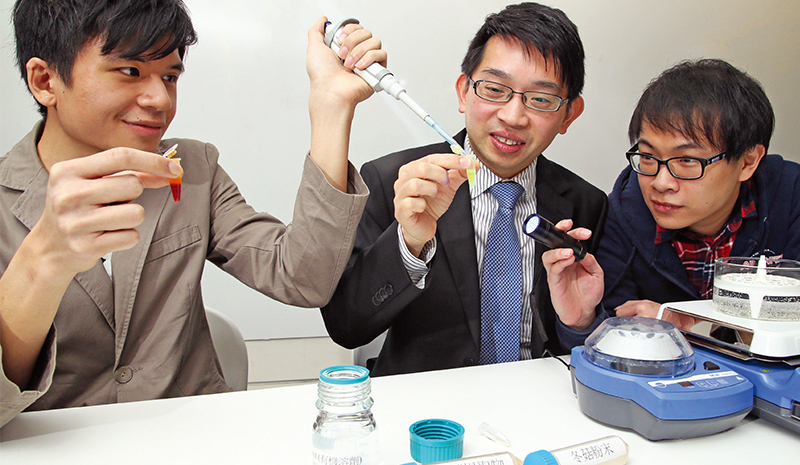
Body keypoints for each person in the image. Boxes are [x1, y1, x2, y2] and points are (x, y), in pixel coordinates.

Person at [0, 0, 386, 427]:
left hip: (193, 440)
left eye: (169, 76)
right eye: (130, 71)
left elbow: (302, 278)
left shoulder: (191, 168)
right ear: (45, 80)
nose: (159, 99)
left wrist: (331, 107)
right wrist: (42, 260)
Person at [321, 2, 608, 376]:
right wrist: (408, 244)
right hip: (427, 417)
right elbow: (346, 327)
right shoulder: (393, 180)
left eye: (540, 99)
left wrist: (581, 324)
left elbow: (588, 347)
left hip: (540, 413)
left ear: (569, 114)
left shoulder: (587, 204)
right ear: (463, 92)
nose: (512, 116)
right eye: (494, 89)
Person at [596, 58, 800, 328]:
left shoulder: (789, 195)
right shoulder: (621, 211)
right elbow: (611, 330)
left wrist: (687, 324)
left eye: (688, 161)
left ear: (747, 162)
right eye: (647, 156)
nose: (660, 182)